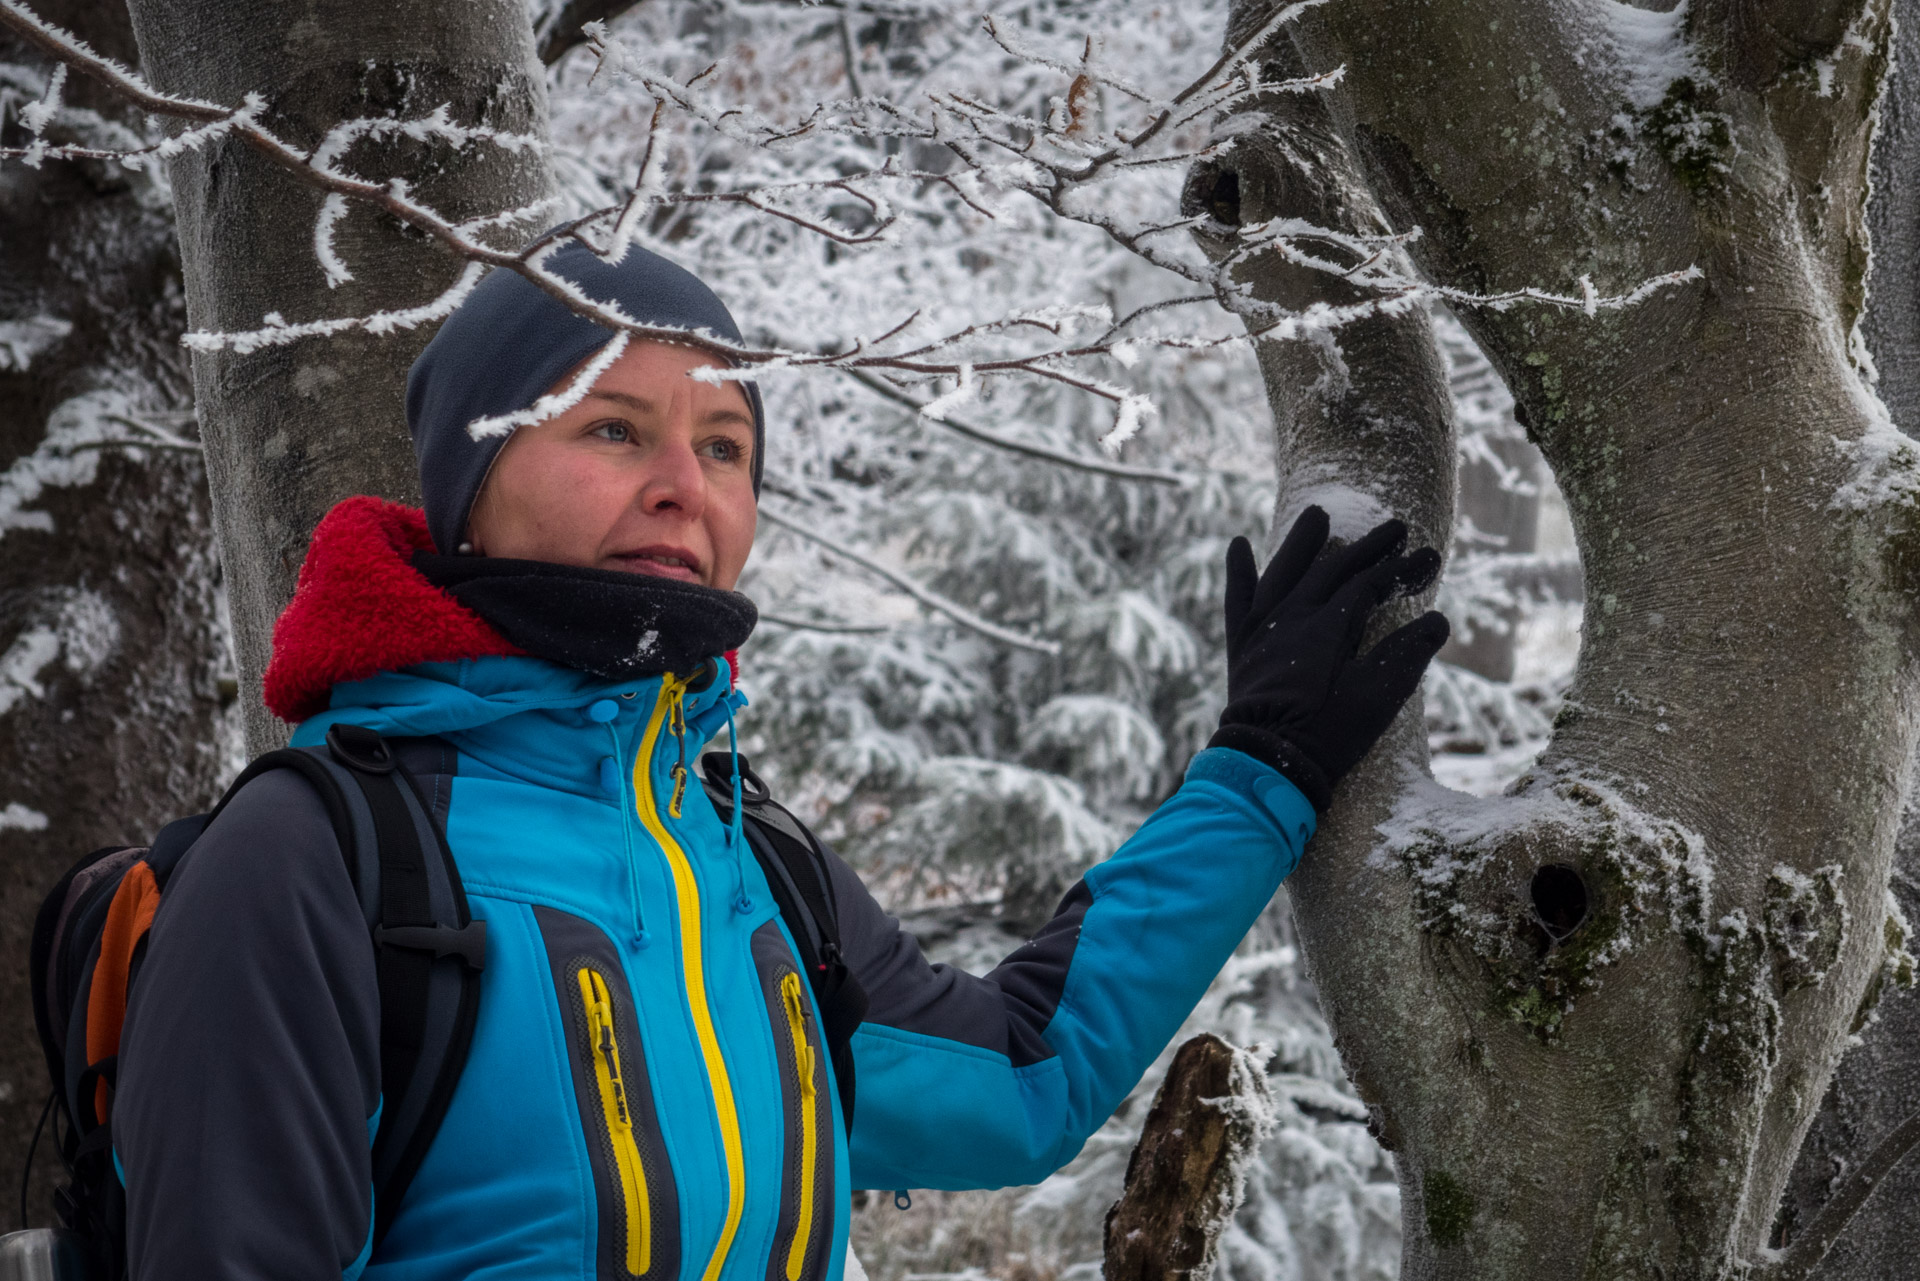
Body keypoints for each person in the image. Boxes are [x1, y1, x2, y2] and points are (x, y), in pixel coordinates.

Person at [113, 241, 1448, 1281]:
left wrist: (1260, 770)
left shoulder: (745, 866)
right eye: (613, 428)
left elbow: (1024, 1074)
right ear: (470, 483)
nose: (683, 484)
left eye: (726, 446)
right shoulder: (314, 867)